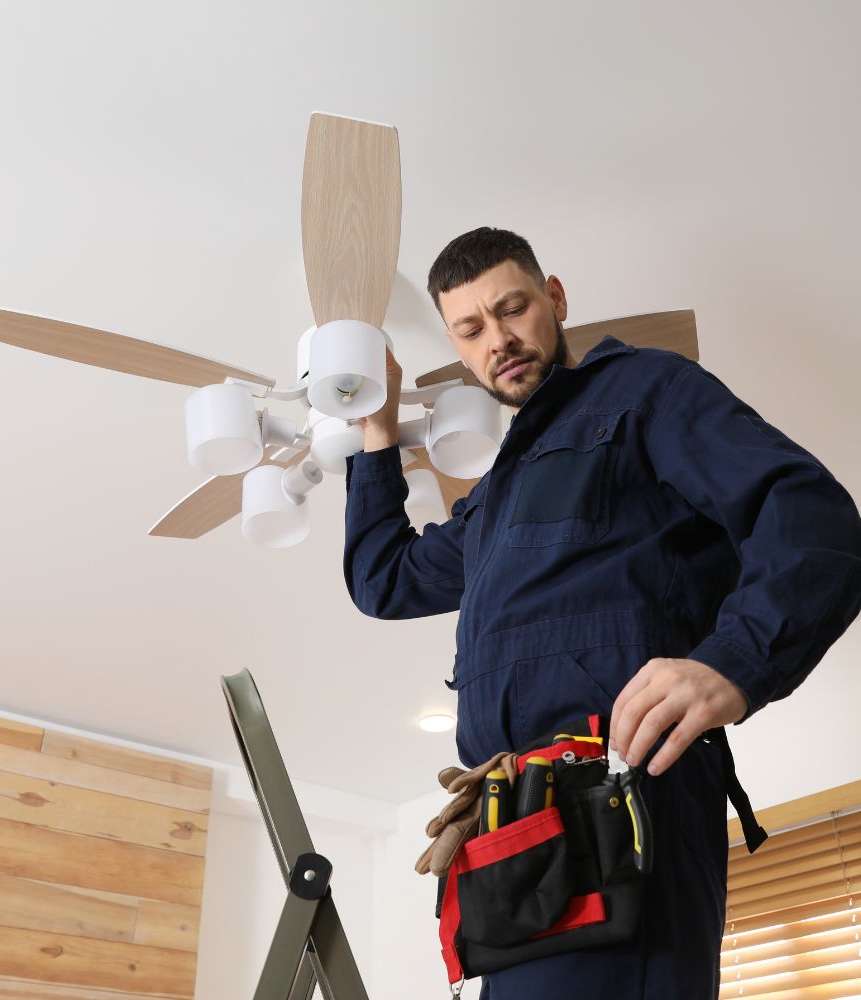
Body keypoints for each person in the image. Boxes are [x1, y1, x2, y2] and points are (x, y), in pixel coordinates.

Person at [342, 227, 861, 999]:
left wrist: (734, 662)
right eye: (471, 330)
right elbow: (382, 579)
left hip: (623, 803)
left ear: (554, 299)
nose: (500, 340)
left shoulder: (644, 391)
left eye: (513, 308)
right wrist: (375, 432)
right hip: (512, 833)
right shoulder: (492, 503)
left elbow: (813, 519)